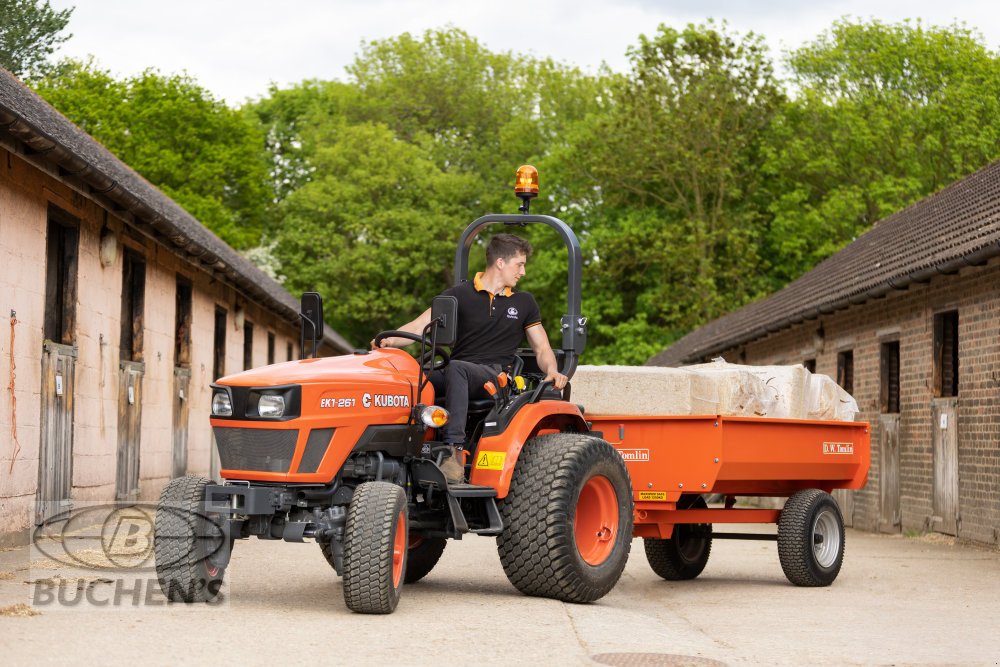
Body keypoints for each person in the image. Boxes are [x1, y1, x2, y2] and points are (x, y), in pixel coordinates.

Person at [373, 233, 568, 483]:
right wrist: (388, 341)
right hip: (458, 374)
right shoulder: (458, 295)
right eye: (520, 264)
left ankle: (454, 453)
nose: (523, 272)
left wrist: (551, 369)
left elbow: (541, 347)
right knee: (412, 377)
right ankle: (397, 447)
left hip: (494, 378)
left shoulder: (523, 302)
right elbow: (419, 326)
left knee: (457, 369)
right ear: (500, 262)